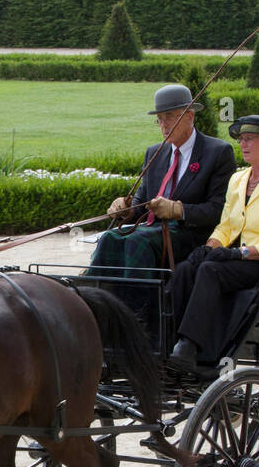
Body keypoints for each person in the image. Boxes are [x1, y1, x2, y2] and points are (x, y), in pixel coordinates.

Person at [88, 84, 236, 314]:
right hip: (153, 231)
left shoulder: (217, 152)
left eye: (169, 117)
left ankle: (139, 313)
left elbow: (219, 210)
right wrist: (126, 209)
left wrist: (178, 210)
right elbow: (142, 205)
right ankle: (95, 305)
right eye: (159, 119)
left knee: (138, 242)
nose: (164, 126)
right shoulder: (155, 152)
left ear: (189, 116)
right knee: (109, 238)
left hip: (192, 234)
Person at [166, 115, 259, 371]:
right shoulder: (238, 180)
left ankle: (190, 345)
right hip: (231, 256)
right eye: (241, 140)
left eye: (249, 139)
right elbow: (226, 224)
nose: (243, 145)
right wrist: (211, 246)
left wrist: (238, 253)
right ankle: (169, 341)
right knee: (185, 269)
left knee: (210, 270)